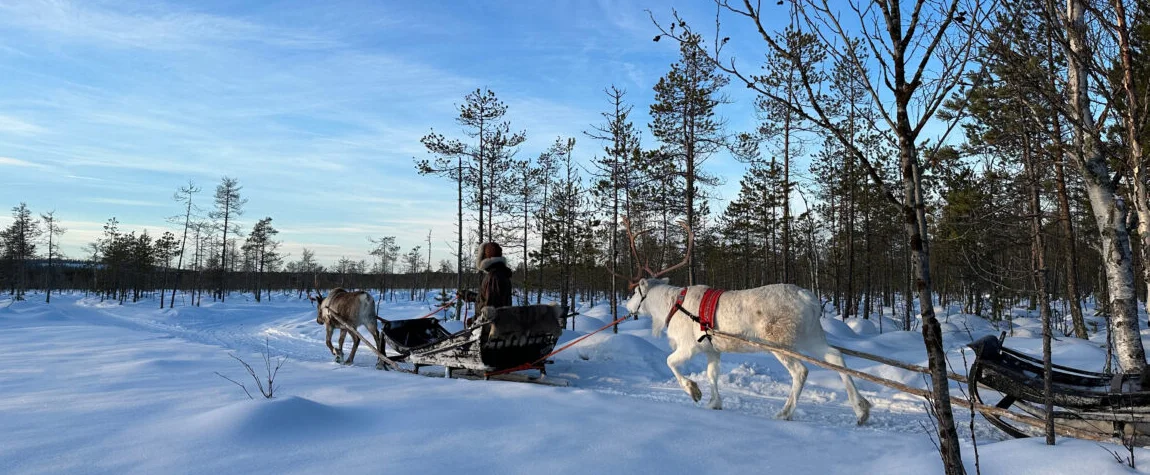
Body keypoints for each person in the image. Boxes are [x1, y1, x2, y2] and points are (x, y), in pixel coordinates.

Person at [475, 242, 513, 318]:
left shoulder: (493, 277)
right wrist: (468, 295)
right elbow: (489, 298)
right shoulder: (501, 273)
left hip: (491, 327)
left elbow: (490, 311)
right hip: (502, 323)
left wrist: (474, 320)